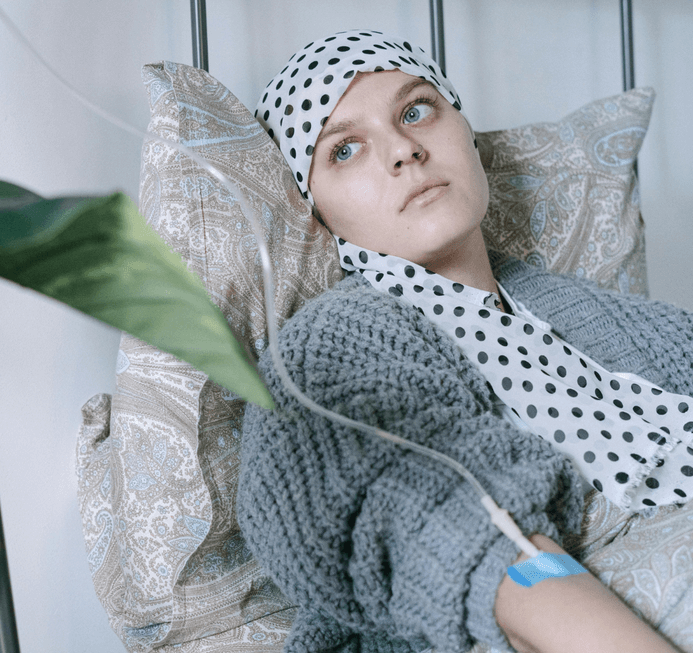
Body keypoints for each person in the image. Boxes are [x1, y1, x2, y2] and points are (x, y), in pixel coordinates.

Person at [237, 29, 693, 653]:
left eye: (416, 110)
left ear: (467, 135)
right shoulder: (326, 355)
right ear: (316, 212)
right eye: (344, 150)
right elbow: (442, 528)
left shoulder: (613, 320)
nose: (403, 149)